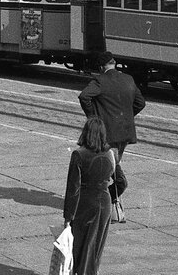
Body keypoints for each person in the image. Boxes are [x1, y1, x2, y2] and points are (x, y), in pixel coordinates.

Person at [78, 52, 142, 222]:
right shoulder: (128, 79)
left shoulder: (100, 81)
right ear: (114, 64)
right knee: (113, 165)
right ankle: (112, 204)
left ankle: (108, 204)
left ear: (101, 67)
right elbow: (140, 103)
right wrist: (126, 117)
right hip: (125, 133)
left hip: (108, 133)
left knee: (112, 171)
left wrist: (94, 118)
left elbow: (84, 96)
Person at [63, 117, 116, 275]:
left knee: (79, 247)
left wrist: (68, 217)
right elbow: (121, 181)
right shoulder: (110, 154)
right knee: (95, 249)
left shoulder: (79, 155)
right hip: (104, 205)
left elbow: (73, 189)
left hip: (84, 204)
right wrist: (107, 192)